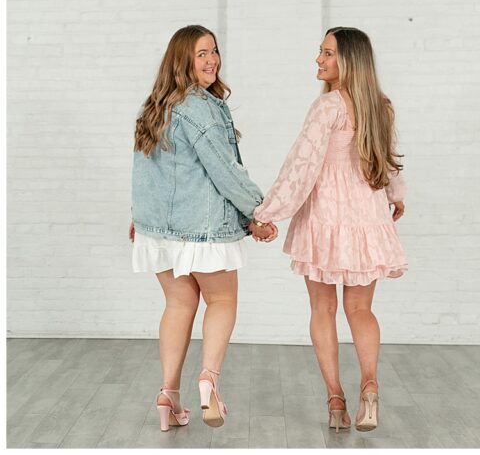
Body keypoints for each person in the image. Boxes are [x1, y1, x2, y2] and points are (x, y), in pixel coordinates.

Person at [252, 26, 407, 433]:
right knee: (361, 310)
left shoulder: (328, 108)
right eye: (319, 52)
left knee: (323, 309)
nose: (319, 60)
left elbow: (301, 168)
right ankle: (369, 388)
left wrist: (269, 212)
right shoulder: (380, 106)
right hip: (366, 217)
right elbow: (387, 158)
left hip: (325, 218)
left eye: (327, 54)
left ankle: (336, 400)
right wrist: (395, 194)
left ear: (348, 61)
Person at [130, 24, 278, 431]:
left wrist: (139, 217)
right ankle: (209, 381)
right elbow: (225, 172)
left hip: (159, 232)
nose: (212, 60)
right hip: (202, 229)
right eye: (201, 54)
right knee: (222, 302)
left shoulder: (154, 105)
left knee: (178, 305)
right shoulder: (201, 108)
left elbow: (145, 170)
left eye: (214, 51)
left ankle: (168, 397)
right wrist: (257, 213)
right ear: (182, 60)